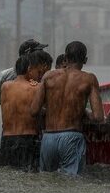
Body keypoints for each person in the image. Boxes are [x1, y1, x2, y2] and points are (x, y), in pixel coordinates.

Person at [31, 41, 104, 175]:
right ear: (85, 59)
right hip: (72, 137)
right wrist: (84, 111)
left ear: (65, 58)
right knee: (71, 185)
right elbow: (98, 117)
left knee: (47, 181)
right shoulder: (89, 79)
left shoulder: (48, 76)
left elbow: (34, 110)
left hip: (48, 139)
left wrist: (53, 110)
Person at [0, 50, 53, 171]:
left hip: (7, 140)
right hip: (27, 140)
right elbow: (44, 110)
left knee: (8, 175)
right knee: (29, 177)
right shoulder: (35, 87)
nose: (38, 74)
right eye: (37, 71)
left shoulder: (5, 87)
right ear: (29, 68)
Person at [0, 39, 48, 144]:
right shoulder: (11, 76)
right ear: (29, 55)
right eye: (39, 52)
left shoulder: (41, 72)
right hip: (22, 134)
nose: (42, 54)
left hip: (19, 135)